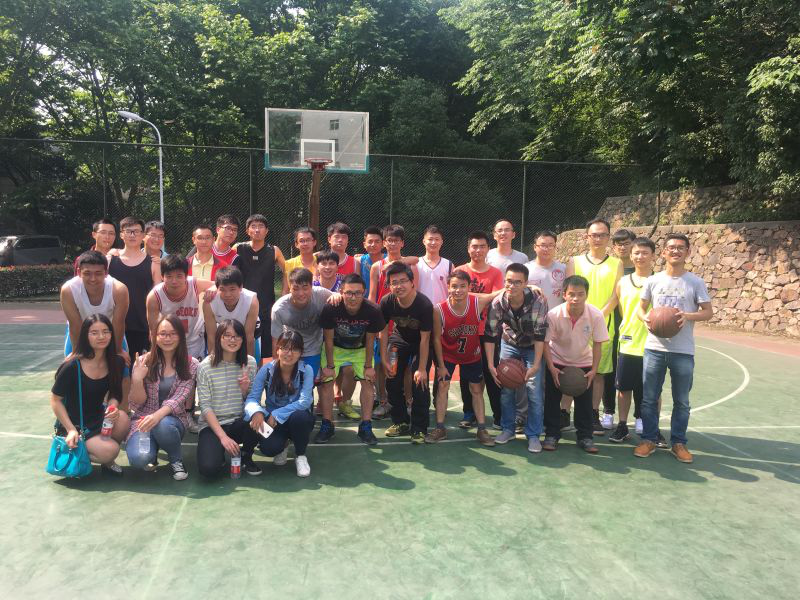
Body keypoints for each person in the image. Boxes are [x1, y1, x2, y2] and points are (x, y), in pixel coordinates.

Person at [634, 233, 713, 464]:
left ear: (688, 252)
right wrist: (645, 319)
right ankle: (649, 439)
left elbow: (708, 312)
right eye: (671, 247)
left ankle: (678, 443)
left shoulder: (695, 282)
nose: (675, 251)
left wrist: (686, 315)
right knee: (649, 398)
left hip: (683, 350)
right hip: (654, 348)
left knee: (682, 401)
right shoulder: (653, 280)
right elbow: (640, 308)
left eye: (680, 247)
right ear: (664, 252)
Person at [426, 270, 500, 446]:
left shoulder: (477, 302)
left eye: (462, 286)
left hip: (471, 354)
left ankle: (481, 429)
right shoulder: (439, 309)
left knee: (476, 389)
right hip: (448, 354)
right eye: (454, 286)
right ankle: (440, 428)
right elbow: (436, 338)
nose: (458, 290)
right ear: (448, 287)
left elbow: (500, 292)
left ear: (469, 287)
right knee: (442, 386)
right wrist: (440, 365)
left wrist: (531, 286)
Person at [50, 314, 130, 476]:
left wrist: (113, 406)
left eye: (106, 331)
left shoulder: (116, 362)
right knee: (111, 450)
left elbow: (115, 392)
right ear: (85, 336)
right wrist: (71, 430)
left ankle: (101, 454)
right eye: (94, 333)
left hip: (97, 416)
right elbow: (55, 400)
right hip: (76, 424)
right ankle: (81, 451)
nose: (101, 337)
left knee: (122, 419)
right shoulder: (72, 366)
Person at [566, 218, 623, 434]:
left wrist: (597, 317)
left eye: (602, 235)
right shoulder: (575, 262)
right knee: (571, 370)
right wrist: (584, 316)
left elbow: (616, 295)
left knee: (598, 373)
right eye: (594, 235)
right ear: (587, 237)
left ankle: (592, 414)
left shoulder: (616, 264)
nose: (598, 238)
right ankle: (564, 412)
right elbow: (569, 293)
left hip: (603, 325)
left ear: (608, 237)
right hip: (576, 324)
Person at [484, 263, 549, 451]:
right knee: (507, 389)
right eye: (509, 281)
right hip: (510, 343)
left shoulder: (538, 301)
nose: (512, 286)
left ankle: (534, 435)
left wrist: (536, 365)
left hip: (532, 346)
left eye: (517, 282)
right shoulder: (498, 302)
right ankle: (508, 429)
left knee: (534, 391)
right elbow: (490, 334)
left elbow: (540, 335)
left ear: (526, 283)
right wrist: (490, 365)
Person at [126, 314, 199, 480]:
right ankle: (153, 449)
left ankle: (176, 460)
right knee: (139, 459)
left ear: (181, 336)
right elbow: (136, 402)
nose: (167, 338)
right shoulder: (142, 361)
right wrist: (137, 379)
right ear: (154, 336)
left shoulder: (191, 364)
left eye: (173, 334)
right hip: (143, 420)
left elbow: (178, 399)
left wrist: (156, 416)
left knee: (162, 425)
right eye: (163, 334)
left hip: (172, 421)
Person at [607, 237, 665, 445]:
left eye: (645, 253)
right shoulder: (623, 282)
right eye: (637, 253)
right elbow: (622, 310)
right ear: (631, 256)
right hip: (628, 342)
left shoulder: (661, 281)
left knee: (653, 391)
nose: (640, 256)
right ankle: (622, 426)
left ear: (653, 256)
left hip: (654, 343)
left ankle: (652, 429)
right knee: (624, 389)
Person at [542, 276, 608, 453]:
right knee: (552, 400)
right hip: (557, 360)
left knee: (584, 402)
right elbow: (545, 343)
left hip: (583, 362)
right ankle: (551, 434)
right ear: (564, 294)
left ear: (587, 295)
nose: (576, 298)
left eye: (580, 294)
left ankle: (585, 436)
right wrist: (551, 367)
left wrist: (594, 370)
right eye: (571, 294)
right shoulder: (553, 315)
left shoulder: (596, 315)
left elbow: (598, 344)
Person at [319, 273, 386, 444]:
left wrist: (368, 366)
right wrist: (330, 366)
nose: (353, 297)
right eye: (349, 292)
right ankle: (327, 424)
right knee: (327, 381)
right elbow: (328, 339)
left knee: (368, 382)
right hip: (335, 348)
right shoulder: (331, 308)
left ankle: (366, 426)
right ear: (341, 292)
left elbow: (370, 340)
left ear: (364, 293)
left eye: (357, 293)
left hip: (360, 350)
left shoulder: (373, 310)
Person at [196, 319, 261, 477]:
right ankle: (219, 452)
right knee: (208, 469)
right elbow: (205, 406)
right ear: (219, 338)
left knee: (261, 424)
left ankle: (246, 455)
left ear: (243, 339)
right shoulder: (205, 366)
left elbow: (253, 402)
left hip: (239, 422)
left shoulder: (250, 363)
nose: (233, 340)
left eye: (237, 336)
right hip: (213, 425)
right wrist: (223, 437)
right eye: (227, 335)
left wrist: (245, 391)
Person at [245, 331, 315, 477]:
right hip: (274, 423)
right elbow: (252, 398)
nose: (289, 353)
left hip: (294, 418)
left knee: (301, 417)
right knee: (268, 448)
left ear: (301, 352)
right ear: (277, 349)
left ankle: (300, 455)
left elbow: (304, 402)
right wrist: (257, 412)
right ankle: (282, 445)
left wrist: (277, 414)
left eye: (294, 349)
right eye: (285, 348)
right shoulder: (266, 370)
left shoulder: (306, 370)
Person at [379, 262, 433, 444]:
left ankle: (419, 428)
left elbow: (425, 339)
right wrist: (385, 358)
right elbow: (383, 331)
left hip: (421, 344)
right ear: (389, 285)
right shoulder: (387, 302)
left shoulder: (424, 305)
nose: (399, 286)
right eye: (394, 282)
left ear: (412, 282)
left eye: (403, 281)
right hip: (399, 340)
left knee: (420, 382)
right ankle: (400, 421)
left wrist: (422, 368)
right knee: (392, 378)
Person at [455, 231, 504, 429]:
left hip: (489, 330)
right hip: (465, 330)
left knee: (491, 372)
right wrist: (486, 296)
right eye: (474, 246)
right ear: (468, 249)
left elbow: (499, 297)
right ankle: (469, 414)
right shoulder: (460, 270)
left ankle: (499, 416)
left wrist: (470, 296)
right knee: (466, 374)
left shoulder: (496, 273)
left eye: (482, 246)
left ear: (488, 249)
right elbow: (456, 297)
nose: (478, 250)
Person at [524, 231, 570, 430]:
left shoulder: (563, 269)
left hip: (557, 329)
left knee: (556, 373)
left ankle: (559, 413)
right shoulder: (526, 269)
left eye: (550, 245)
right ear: (535, 247)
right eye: (542, 245)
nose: (546, 248)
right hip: (532, 330)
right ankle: (528, 414)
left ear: (555, 247)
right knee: (533, 375)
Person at [61, 250, 129, 364]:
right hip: (80, 330)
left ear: (106, 273)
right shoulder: (68, 290)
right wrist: (77, 351)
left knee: (121, 364)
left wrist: (117, 351)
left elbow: (118, 323)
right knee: (73, 365)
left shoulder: (119, 290)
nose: (93, 279)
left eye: (98, 273)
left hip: (110, 330)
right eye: (87, 273)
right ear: (79, 272)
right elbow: (75, 324)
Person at [235, 214, 286, 361]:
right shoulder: (238, 248)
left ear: (267, 231)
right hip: (242, 304)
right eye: (253, 226)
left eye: (261, 226)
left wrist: (284, 293)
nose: (257, 230)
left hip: (266, 305)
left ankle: (265, 374)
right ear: (247, 231)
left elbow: (288, 271)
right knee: (241, 341)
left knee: (266, 348)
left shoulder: (274, 250)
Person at [108, 216, 159, 357]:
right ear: (121, 234)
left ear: (143, 236)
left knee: (141, 367)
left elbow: (158, 298)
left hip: (143, 328)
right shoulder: (110, 260)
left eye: (136, 231)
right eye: (128, 231)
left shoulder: (154, 263)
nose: (132, 235)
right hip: (114, 327)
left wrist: (154, 327)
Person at [147, 254, 214, 361]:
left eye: (179, 276)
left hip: (194, 339)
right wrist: (154, 354)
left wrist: (212, 290)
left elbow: (218, 285)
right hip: (169, 340)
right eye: (169, 276)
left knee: (194, 369)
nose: (174, 281)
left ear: (186, 276)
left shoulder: (194, 284)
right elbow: (153, 330)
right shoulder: (154, 296)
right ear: (162, 277)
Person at [202, 265, 261, 362]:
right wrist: (213, 363)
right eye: (222, 289)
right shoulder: (209, 302)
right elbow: (211, 337)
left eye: (232, 289)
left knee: (252, 362)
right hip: (224, 332)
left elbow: (248, 337)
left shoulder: (251, 301)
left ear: (241, 287)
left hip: (248, 331)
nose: (228, 294)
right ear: (217, 288)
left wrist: (247, 364)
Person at [417, 225, 453, 306]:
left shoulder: (449, 265)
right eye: (430, 239)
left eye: (437, 239)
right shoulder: (416, 264)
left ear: (441, 242)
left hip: (443, 310)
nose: (433, 242)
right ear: (424, 241)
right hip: (421, 310)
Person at [357, 225, 386, 296]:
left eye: (377, 241)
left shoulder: (389, 259)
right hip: (366, 300)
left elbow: (410, 259)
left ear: (383, 244)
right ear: (364, 244)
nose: (373, 245)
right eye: (370, 241)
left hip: (386, 300)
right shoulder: (359, 261)